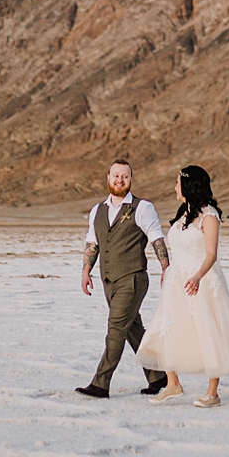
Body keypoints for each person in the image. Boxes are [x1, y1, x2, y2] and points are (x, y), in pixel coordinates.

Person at [137, 164, 229, 407]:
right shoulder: (184, 213)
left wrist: (197, 276)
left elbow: (211, 254)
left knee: (208, 330)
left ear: (189, 185)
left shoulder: (209, 215)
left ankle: (212, 393)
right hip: (177, 281)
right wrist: (170, 271)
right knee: (167, 328)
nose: (174, 187)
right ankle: (173, 383)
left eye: (177, 183)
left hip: (201, 280)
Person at [76, 159, 171, 398]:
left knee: (116, 329)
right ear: (108, 178)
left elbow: (156, 238)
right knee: (133, 329)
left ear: (130, 180)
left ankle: (100, 384)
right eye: (116, 176)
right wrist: (86, 271)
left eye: (125, 176)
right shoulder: (97, 211)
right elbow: (93, 243)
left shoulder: (142, 207)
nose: (120, 180)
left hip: (133, 279)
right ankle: (159, 376)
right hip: (109, 280)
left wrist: (165, 268)